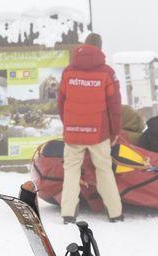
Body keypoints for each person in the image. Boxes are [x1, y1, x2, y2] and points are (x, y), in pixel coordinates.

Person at [56, 33, 124, 223]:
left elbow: (60, 103)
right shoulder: (107, 73)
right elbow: (115, 107)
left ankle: (68, 213)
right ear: (100, 49)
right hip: (98, 133)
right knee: (104, 170)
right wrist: (115, 132)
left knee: (71, 171)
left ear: (84, 46)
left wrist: (69, 125)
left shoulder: (68, 72)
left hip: (73, 133)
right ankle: (115, 213)